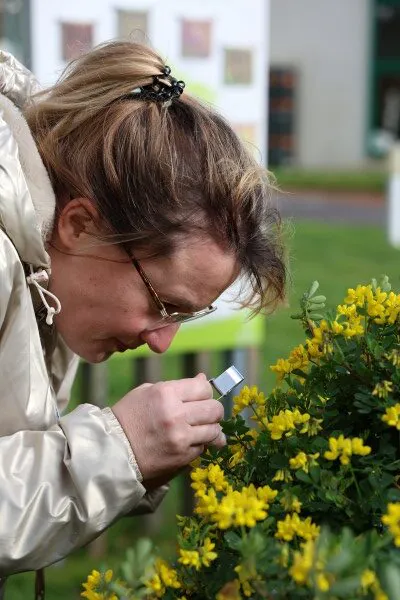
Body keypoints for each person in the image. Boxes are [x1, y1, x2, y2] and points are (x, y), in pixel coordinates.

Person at [0, 40, 286, 588]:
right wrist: (116, 452)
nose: (161, 343)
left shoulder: (46, 269)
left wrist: (132, 457)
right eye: (164, 305)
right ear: (80, 224)